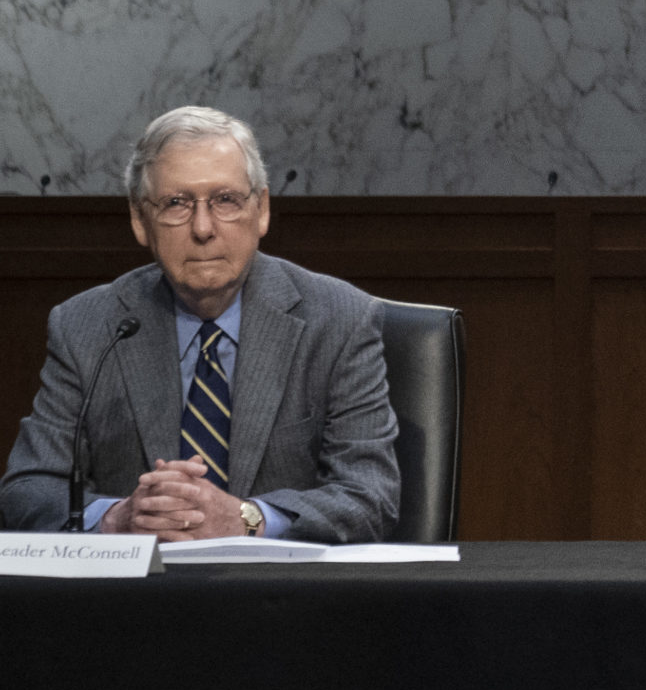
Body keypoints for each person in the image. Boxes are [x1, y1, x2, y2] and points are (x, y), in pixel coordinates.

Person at [1, 106, 398, 541]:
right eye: (176, 204)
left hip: (280, 600)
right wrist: (120, 517)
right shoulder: (87, 326)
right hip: (135, 601)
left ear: (261, 209)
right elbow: (28, 490)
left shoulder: (339, 320)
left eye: (225, 200)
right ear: (140, 220)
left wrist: (248, 518)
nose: (203, 228)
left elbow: (370, 497)